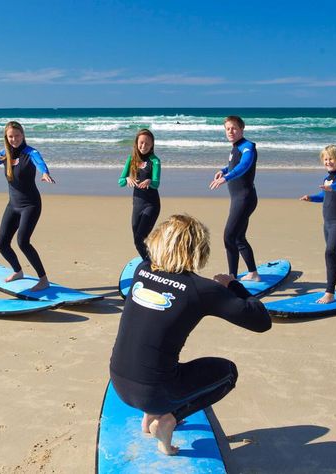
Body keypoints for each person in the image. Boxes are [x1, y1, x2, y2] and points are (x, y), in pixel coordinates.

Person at [109, 214, 271, 455]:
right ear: (197, 250)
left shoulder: (141, 271)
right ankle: (168, 420)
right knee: (227, 373)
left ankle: (148, 416)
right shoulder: (202, 289)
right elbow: (261, 321)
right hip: (154, 391)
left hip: (119, 382)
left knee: (153, 353)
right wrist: (232, 285)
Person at [0, 121, 55, 291]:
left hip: (31, 204)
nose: (14, 139)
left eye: (17, 135)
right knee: (2, 243)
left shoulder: (31, 152)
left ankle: (43, 279)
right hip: (13, 205)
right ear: (6, 137)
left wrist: (45, 173)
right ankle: (18, 271)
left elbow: (40, 163)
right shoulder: (4, 154)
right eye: (11, 136)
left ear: (23, 135)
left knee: (23, 241)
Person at [210, 116, 260, 281]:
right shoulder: (236, 147)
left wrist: (227, 177)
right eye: (227, 129)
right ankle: (253, 273)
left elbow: (244, 165)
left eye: (234, 128)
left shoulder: (248, 147)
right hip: (240, 198)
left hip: (244, 199)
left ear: (241, 129)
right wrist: (223, 170)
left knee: (229, 236)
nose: (230, 131)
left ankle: (232, 277)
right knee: (238, 237)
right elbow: (234, 164)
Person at [300, 145, 336, 304]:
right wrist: (312, 198)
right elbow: (324, 195)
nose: (328, 161)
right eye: (326, 159)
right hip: (327, 222)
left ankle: (330, 293)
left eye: (331, 158)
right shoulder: (326, 179)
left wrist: (330, 187)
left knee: (330, 252)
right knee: (334, 252)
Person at [118, 129, 161, 259]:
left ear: (152, 145)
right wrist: (127, 179)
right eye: (141, 143)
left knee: (139, 239)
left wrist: (150, 181)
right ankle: (155, 259)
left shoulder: (155, 161)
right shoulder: (131, 159)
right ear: (136, 143)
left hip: (151, 204)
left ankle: (152, 265)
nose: (144, 146)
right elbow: (120, 181)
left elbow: (156, 183)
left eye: (147, 144)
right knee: (139, 241)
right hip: (137, 204)